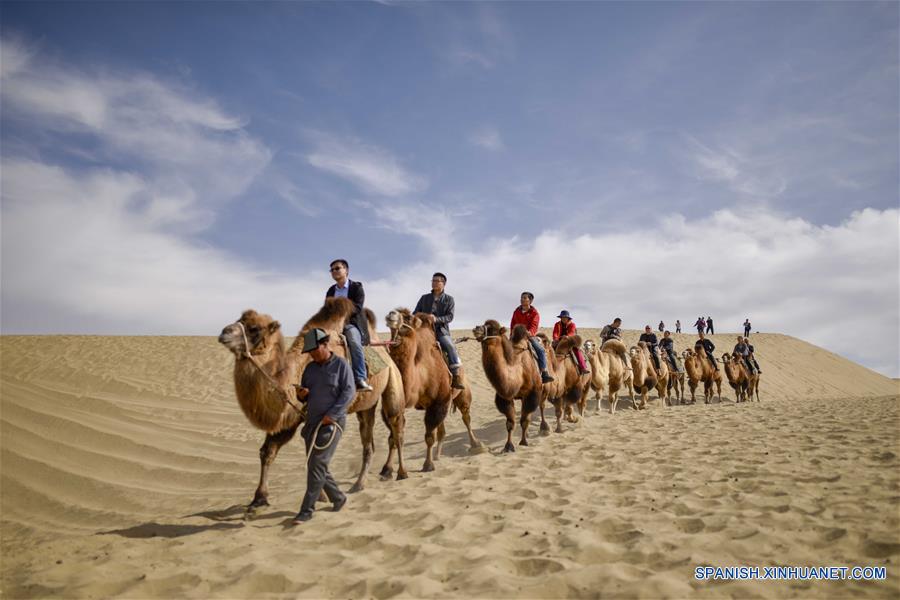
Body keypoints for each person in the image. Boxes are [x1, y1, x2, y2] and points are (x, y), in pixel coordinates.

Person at [291, 328, 352, 524]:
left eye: (315, 350)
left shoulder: (341, 366)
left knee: (316, 465)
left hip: (332, 424)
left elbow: (348, 393)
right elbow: (307, 396)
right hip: (312, 423)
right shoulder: (310, 369)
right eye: (310, 352)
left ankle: (306, 510)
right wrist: (302, 395)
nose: (313, 355)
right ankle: (338, 498)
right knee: (317, 465)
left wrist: (332, 415)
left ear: (326, 345)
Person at [325, 259, 372, 391]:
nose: (334, 271)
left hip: (351, 323)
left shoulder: (356, 287)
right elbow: (327, 309)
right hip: (332, 324)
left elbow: (357, 307)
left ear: (346, 270)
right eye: (332, 270)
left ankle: (360, 377)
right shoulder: (330, 291)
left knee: (353, 340)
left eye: (337, 268)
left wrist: (342, 316)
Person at [414, 272, 464, 389]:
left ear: (443, 283)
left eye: (437, 281)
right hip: (424, 330)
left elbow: (450, 317)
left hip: (441, 330)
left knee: (450, 346)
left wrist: (436, 319)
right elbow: (415, 312)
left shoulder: (449, 299)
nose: (434, 283)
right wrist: (421, 318)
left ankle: (456, 375)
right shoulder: (424, 298)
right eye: (433, 280)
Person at [510, 292, 555, 384]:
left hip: (528, 336)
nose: (522, 299)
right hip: (516, 336)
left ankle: (544, 372)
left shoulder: (534, 313)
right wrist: (512, 334)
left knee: (541, 350)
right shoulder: (516, 311)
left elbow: (534, 325)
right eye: (521, 297)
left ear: (530, 301)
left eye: (524, 298)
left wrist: (530, 333)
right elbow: (513, 323)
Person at [552, 310, 589, 375]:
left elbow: (572, 333)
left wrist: (567, 337)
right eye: (562, 317)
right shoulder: (557, 324)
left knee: (576, 350)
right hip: (560, 341)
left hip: (570, 341)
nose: (563, 319)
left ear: (568, 318)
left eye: (565, 317)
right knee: (550, 349)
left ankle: (583, 367)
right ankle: (550, 366)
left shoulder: (572, 324)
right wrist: (556, 339)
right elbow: (555, 333)